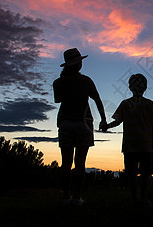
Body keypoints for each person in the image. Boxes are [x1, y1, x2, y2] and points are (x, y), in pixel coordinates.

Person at [101, 73, 153, 206]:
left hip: (129, 146)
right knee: (144, 174)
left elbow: (118, 121)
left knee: (131, 175)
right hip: (146, 146)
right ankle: (143, 199)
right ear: (145, 88)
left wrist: (107, 126)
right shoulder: (149, 104)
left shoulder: (125, 104)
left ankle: (134, 199)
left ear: (130, 87)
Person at [53, 48, 107, 206]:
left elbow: (58, 100)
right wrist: (103, 119)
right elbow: (97, 100)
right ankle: (77, 198)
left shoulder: (58, 82)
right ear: (78, 63)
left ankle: (66, 196)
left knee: (66, 162)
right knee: (80, 163)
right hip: (84, 124)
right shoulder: (86, 81)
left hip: (65, 123)